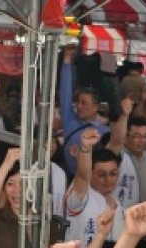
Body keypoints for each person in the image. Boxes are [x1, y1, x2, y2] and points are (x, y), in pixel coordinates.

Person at [58, 46, 109, 175]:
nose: (79, 106)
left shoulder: (105, 131)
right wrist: (67, 59)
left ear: (96, 107)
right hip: (68, 178)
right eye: (78, 102)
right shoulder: (69, 120)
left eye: (84, 103)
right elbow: (65, 89)